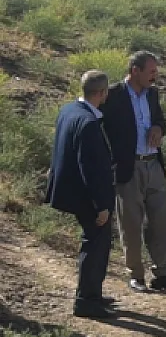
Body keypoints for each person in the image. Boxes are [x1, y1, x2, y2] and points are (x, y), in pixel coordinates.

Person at [101, 51, 166, 293]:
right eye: (151, 71)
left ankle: (163, 273)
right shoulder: (112, 95)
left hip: (153, 164)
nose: (155, 76)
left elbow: (160, 120)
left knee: (161, 221)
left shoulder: (152, 94)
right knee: (131, 224)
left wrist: (158, 128)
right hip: (128, 168)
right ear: (135, 71)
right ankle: (136, 274)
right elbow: (100, 128)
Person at [45, 70, 118, 319]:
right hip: (87, 196)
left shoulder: (69, 111)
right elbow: (91, 168)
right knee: (96, 245)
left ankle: (92, 293)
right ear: (102, 93)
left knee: (96, 243)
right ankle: (86, 301)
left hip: (72, 191)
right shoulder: (88, 123)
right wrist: (101, 205)